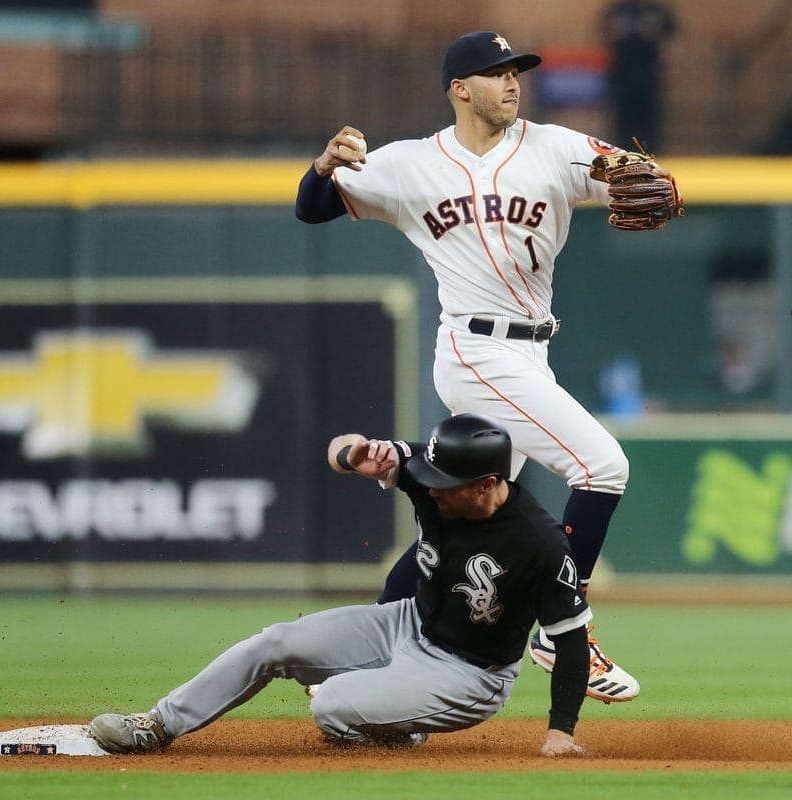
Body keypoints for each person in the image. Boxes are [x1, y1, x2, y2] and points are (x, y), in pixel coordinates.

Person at [295, 30, 661, 703]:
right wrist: (322, 167)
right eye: (495, 73)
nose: (512, 82)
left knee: (465, 516)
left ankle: (363, 662)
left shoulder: (554, 146)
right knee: (602, 465)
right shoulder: (409, 165)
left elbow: (629, 170)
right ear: (460, 89)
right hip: (475, 349)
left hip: (530, 354)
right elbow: (310, 209)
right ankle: (559, 630)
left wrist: (633, 173)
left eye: (516, 70)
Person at [88, 413, 593, 757]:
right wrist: (352, 455)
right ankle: (157, 725)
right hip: (406, 622)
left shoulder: (539, 542)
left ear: (487, 483)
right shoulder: (432, 471)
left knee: (331, 704)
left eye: (446, 483)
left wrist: (559, 733)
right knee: (275, 642)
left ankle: (401, 729)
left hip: (470, 673)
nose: (430, 487)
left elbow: (571, 640)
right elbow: (338, 448)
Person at [599, 0, 679, 152]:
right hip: (623, 73)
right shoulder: (619, 10)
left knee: (648, 118)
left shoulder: (655, 11)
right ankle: (621, 154)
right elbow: (605, 31)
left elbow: (670, 35)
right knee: (622, 118)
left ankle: (650, 153)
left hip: (648, 73)